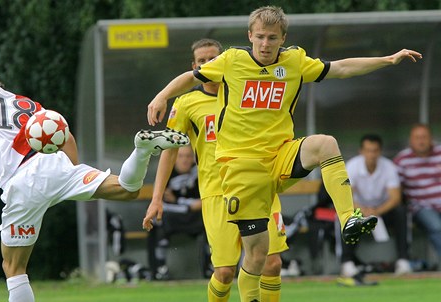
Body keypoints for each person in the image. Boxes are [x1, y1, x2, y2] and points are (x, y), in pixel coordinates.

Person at [145, 6, 422, 301]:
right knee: (250, 259)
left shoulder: (294, 61)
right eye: (260, 37)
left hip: (279, 158)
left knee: (325, 144)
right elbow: (189, 79)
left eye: (272, 38)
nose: (265, 44)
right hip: (241, 171)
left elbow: (340, 67)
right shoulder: (230, 63)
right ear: (250, 36)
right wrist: (161, 96)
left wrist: (388, 59)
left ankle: (347, 219)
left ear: (283, 38)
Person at [0, 54, 189, 302]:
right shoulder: (30, 106)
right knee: (126, 189)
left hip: (23, 179)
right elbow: (67, 137)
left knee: (14, 268)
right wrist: (69, 179)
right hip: (57, 166)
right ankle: (141, 149)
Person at [143, 38, 288, 302]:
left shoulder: (244, 88)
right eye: (202, 61)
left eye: (213, 59)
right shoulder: (187, 103)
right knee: (223, 272)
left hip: (257, 186)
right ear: (194, 66)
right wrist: (156, 198)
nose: (208, 65)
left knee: (272, 263)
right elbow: (170, 149)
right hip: (216, 193)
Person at [338, 134, 410, 286]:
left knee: (400, 212)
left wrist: (377, 211)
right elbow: (346, 197)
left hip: (382, 210)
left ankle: (403, 261)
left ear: (380, 151)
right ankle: (347, 263)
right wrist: (363, 210)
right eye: (368, 150)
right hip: (359, 209)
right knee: (348, 217)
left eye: (375, 150)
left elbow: (395, 197)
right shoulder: (352, 166)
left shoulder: (388, 167)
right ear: (361, 151)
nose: (371, 154)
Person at [146, 145, 208, 280]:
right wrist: (187, 206)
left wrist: (179, 201)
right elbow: (163, 204)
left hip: (195, 217)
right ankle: (160, 269)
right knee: (158, 222)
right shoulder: (167, 173)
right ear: (174, 158)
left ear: (193, 158)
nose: (185, 160)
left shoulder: (200, 173)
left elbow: (205, 201)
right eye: (181, 156)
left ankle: (211, 267)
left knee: (210, 221)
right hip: (172, 216)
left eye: (188, 156)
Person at [394, 124, 441, 263]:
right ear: (411, 140)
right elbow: (394, 187)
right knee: (437, 226)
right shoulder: (402, 160)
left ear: (431, 138)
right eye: (417, 138)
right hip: (421, 207)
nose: (421, 141)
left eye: (424, 137)